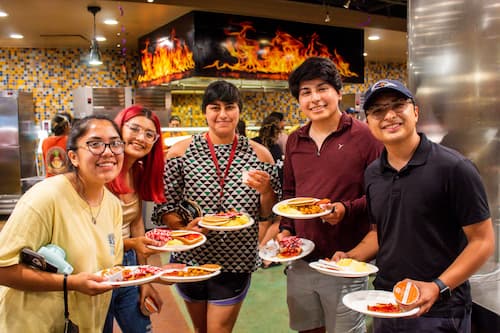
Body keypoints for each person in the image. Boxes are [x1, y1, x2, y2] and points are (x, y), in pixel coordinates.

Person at [333, 79, 495, 333]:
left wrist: (437, 286)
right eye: (377, 111)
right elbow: (380, 233)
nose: (389, 115)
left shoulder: (454, 168)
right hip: (387, 300)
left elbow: (483, 242)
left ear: (415, 112)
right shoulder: (373, 173)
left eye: (398, 105)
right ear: (368, 121)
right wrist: (350, 258)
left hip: (440, 310)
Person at [152, 80, 281, 333]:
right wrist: (185, 230)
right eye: (215, 107)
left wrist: (266, 190)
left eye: (230, 107)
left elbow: (268, 213)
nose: (222, 114)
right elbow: (165, 206)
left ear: (239, 111)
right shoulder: (180, 152)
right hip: (191, 258)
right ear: (205, 112)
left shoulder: (260, 154)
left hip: (237, 257)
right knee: (200, 330)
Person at [277, 56, 383, 333]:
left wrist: (346, 209)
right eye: (305, 92)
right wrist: (286, 230)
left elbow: (382, 196)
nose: (315, 98)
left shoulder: (365, 136)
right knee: (308, 329)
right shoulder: (294, 140)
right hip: (300, 260)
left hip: (345, 259)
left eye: (322, 88)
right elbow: (290, 193)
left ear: (338, 91)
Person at [0, 115, 125, 332]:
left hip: (85, 324)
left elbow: (110, 269)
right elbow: (3, 269)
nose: (108, 151)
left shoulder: (113, 205)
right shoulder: (46, 197)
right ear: (73, 157)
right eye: (95, 144)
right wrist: (71, 283)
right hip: (33, 325)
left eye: (115, 143)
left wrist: (154, 275)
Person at [103, 105, 166, 333]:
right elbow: (91, 234)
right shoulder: (100, 172)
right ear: (119, 129)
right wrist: (133, 243)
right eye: (135, 129)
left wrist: (145, 280)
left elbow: (136, 224)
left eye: (149, 134)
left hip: (129, 264)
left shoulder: (137, 171)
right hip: (98, 268)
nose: (141, 138)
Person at [252, 114, 285, 268]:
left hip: (256, 187)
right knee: (278, 221)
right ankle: (262, 253)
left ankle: (257, 252)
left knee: (263, 220)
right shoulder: (278, 145)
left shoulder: (255, 143)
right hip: (276, 188)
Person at [42, 112, 73, 177]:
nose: (70, 127)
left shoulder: (45, 141)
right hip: (66, 180)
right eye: (69, 125)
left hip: (50, 180)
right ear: (65, 127)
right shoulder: (69, 140)